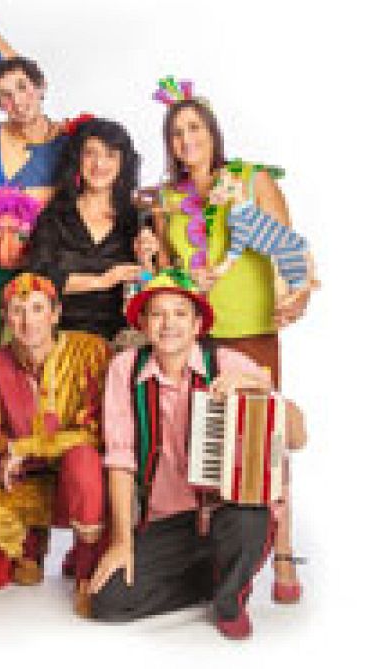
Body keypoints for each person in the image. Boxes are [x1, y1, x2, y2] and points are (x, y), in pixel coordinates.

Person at [147, 77, 312, 602]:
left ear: (213, 132)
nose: (186, 140)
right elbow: (170, 276)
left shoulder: (251, 179)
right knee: (204, 443)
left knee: (266, 440)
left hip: (252, 330)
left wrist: (297, 297)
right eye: (176, 133)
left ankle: (282, 548)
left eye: (194, 128)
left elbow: (290, 248)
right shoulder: (167, 200)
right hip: (197, 339)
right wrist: (158, 262)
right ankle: (219, 551)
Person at [88, 270, 307, 638]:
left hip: (228, 514)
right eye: (158, 314)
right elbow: (121, 461)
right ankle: (219, 577)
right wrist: (122, 542)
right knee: (108, 602)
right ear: (143, 324)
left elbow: (298, 438)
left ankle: (229, 599)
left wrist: (260, 390)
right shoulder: (125, 369)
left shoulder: (228, 362)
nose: (168, 324)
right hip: (169, 521)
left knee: (251, 517)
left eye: (180, 313)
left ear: (197, 325)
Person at [0, 273, 109, 599]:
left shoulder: (90, 352)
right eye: (18, 310)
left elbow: (95, 434)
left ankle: (86, 560)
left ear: (55, 314)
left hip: (80, 485)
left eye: (38, 309)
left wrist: (25, 447)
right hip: (24, 484)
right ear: (5, 317)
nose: (28, 322)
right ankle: (31, 542)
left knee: (83, 460)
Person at [0, 8, 70, 351]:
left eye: (23, 87)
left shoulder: (72, 142)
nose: (18, 101)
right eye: (5, 95)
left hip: (46, 275)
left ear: (41, 87)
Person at [29, 117, 151, 341]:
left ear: (123, 163)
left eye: (110, 155)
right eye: (90, 153)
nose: (99, 164)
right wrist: (103, 280)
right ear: (77, 159)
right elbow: (38, 279)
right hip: (59, 338)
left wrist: (145, 262)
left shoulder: (137, 219)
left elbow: (149, 285)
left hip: (121, 341)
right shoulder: (54, 215)